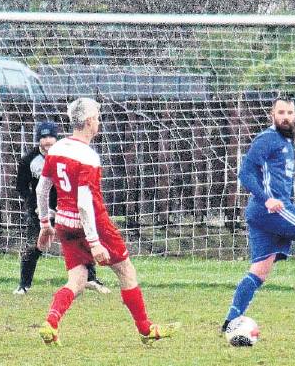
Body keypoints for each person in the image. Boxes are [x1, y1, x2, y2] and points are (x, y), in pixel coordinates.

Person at [35, 98, 179, 346]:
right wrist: (94, 242)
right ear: (90, 121)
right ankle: (145, 329)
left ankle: (51, 322)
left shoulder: (57, 149)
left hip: (64, 224)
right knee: (126, 271)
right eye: (98, 118)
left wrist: (45, 223)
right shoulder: (88, 157)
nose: (99, 122)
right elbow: (83, 202)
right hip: (93, 224)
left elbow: (42, 188)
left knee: (77, 280)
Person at [221, 97, 295, 332]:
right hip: (272, 210)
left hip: (262, 213)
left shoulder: (286, 141)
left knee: (259, 271)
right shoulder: (267, 139)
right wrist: (267, 199)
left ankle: (229, 323)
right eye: (281, 112)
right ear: (272, 114)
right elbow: (245, 173)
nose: (285, 117)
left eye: (290, 112)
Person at [13, 121, 109, 295]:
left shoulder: (65, 157)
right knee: (33, 245)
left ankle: (91, 278)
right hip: (40, 210)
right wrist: (34, 206)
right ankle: (24, 284)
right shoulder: (28, 160)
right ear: (38, 140)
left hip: (66, 207)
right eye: (44, 137)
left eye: (51, 137)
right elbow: (21, 187)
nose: (48, 141)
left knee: (82, 240)